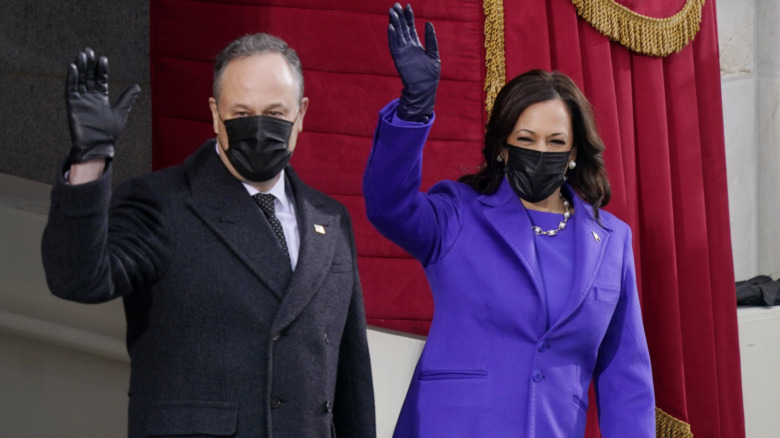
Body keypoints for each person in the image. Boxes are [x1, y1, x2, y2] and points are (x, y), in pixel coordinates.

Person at [41, 34, 375, 438]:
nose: (258, 128)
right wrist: (90, 160)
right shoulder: (161, 203)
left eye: (274, 112)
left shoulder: (330, 220)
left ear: (301, 113)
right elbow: (78, 277)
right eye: (241, 113)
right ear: (216, 114)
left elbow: (350, 380)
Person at [362, 4, 655, 437]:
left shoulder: (612, 240)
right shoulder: (457, 213)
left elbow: (624, 377)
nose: (540, 151)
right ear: (502, 147)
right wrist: (414, 109)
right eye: (525, 139)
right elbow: (388, 205)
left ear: (574, 154)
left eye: (556, 141)